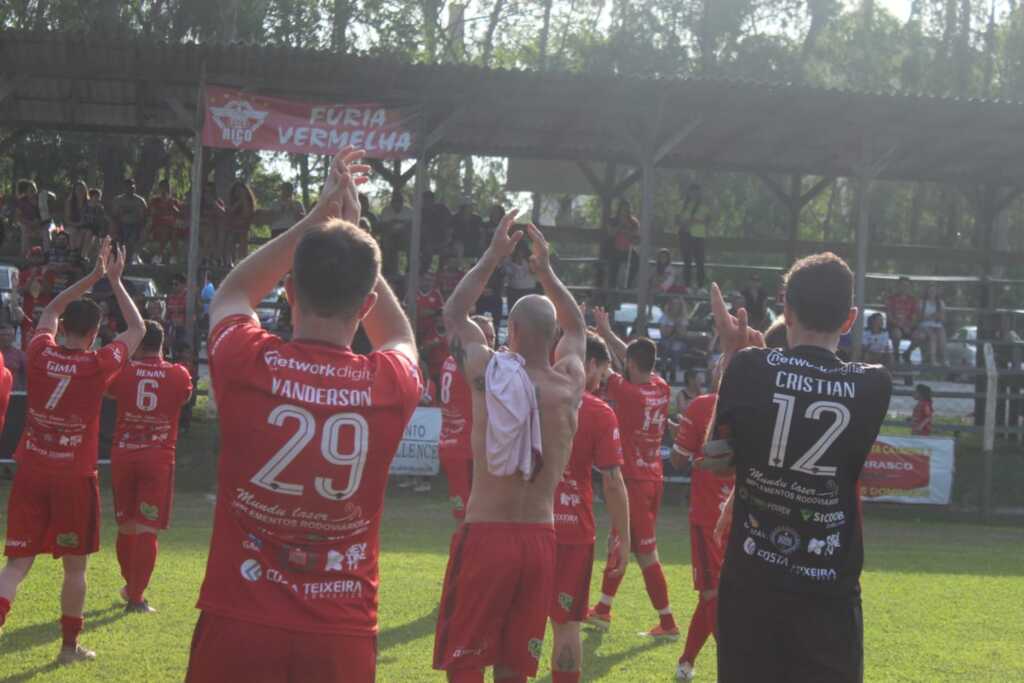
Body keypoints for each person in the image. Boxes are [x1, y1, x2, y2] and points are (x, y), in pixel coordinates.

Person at [185, 148, 420, 683]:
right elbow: (402, 336)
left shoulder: (247, 360)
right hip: (340, 631)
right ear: (364, 306)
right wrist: (357, 241)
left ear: (289, 291)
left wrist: (316, 221)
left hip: (238, 618)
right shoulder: (390, 384)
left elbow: (235, 291)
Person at [705, 252, 892, 683]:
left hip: (752, 584)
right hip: (828, 590)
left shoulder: (751, 367)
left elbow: (715, 459)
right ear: (849, 320)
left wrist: (732, 358)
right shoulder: (873, 384)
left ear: (785, 310)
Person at [433, 210, 586, 683]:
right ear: (553, 338)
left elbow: (454, 315)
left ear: (512, 334)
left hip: (488, 534)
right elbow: (578, 329)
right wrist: (545, 271)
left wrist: (495, 256)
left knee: (467, 661)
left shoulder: (490, 374)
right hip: (541, 540)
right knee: (514, 669)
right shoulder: (568, 387)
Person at [0, 238, 144, 664]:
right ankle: (68, 648)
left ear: (62, 328)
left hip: (30, 471)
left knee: (16, 566)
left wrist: (91, 277)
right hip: (74, 478)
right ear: (96, 334)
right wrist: (115, 282)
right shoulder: (98, 363)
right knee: (75, 569)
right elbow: (137, 330)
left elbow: (49, 310)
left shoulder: (40, 352)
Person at [587, 308, 678, 639]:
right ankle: (604, 609)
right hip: (653, 476)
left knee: (644, 551)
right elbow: (630, 358)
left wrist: (598, 334)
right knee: (620, 541)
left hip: (635, 482)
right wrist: (609, 330)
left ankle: (668, 623)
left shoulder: (628, 393)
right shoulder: (661, 386)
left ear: (633, 366)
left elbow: (603, 365)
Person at [548, 332, 631, 683]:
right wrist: (624, 537)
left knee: (516, 623)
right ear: (590, 363)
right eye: (601, 373)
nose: (600, 382)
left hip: (525, 522)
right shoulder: (598, 412)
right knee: (567, 627)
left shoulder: (526, 394)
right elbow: (612, 481)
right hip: (572, 531)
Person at [108, 320, 193, 613]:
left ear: (137, 342)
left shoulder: (123, 372)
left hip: (124, 453)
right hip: (157, 457)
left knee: (127, 524)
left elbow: (110, 391)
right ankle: (136, 596)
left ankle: (130, 584)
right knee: (147, 527)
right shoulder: (178, 374)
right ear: (162, 343)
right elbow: (185, 397)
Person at [671, 371, 734, 682]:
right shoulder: (763, 408)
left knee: (714, 595)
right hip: (737, 516)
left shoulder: (700, 406)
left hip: (715, 515)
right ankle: (692, 662)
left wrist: (687, 439)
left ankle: (696, 661)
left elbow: (678, 460)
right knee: (714, 595)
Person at [438, 315, 495, 526]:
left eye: (492, 337)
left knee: (464, 516)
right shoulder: (475, 366)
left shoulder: (450, 361)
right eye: (485, 337)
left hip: (451, 446)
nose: (490, 343)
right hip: (466, 451)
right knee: (474, 518)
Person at [678, 183, 711, 290]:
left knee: (700, 262)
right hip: (686, 236)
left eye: (697, 191)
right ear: (689, 193)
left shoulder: (704, 205)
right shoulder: (684, 205)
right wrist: (686, 223)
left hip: (699, 236)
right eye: (692, 191)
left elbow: (707, 220)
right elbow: (679, 220)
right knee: (687, 262)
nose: (694, 194)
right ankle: (687, 286)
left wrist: (694, 221)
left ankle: (701, 286)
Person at [111, 178, 148, 264]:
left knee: (141, 232)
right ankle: (118, 255)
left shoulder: (140, 201)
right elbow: (114, 215)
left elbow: (143, 217)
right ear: (124, 188)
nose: (129, 189)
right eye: (127, 187)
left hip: (135, 225)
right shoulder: (118, 200)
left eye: (131, 188)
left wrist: (139, 224)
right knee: (114, 227)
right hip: (121, 225)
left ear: (134, 188)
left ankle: (135, 255)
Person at [885, 277, 919, 364]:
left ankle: (907, 353)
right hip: (895, 326)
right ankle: (896, 354)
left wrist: (909, 326)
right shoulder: (891, 299)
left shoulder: (913, 300)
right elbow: (889, 317)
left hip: (908, 327)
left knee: (920, 335)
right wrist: (901, 326)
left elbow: (914, 317)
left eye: (906, 286)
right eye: (902, 285)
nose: (904, 287)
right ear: (898, 286)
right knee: (897, 334)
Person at [608, 201, 640, 290]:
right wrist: (620, 225)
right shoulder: (613, 220)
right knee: (613, 268)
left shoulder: (633, 222)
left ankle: (628, 285)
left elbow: (636, 238)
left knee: (636, 262)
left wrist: (630, 233)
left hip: (628, 250)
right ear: (620, 209)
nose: (625, 211)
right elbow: (611, 234)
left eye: (627, 209)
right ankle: (612, 288)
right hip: (615, 249)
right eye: (623, 209)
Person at [149, 180, 182, 264]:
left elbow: (179, 214)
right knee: (165, 230)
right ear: (159, 189)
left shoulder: (174, 202)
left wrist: (171, 205)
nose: (164, 191)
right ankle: (158, 256)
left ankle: (174, 258)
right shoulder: (154, 201)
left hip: (171, 227)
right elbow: (153, 214)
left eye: (167, 188)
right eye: (162, 188)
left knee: (173, 231)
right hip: (158, 226)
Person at [659, 297, 690, 382]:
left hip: (679, 341)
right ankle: (663, 369)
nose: (675, 307)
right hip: (666, 339)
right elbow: (664, 333)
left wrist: (674, 327)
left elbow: (682, 334)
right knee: (666, 345)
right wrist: (674, 324)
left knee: (676, 347)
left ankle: (673, 369)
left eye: (677, 304)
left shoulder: (683, 317)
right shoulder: (665, 316)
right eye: (673, 304)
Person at [225, 181, 256, 266]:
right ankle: (230, 260)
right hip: (232, 229)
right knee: (231, 237)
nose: (239, 193)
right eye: (237, 191)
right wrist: (238, 204)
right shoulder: (232, 201)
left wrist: (243, 200)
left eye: (241, 191)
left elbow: (247, 215)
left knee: (243, 234)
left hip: (243, 229)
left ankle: (242, 260)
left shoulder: (248, 202)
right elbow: (229, 213)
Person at [504, 239, 538, 311]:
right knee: (513, 311)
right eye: (518, 250)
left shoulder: (531, 259)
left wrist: (530, 263)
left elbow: (534, 272)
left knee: (528, 312)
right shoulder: (508, 259)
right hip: (513, 290)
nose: (520, 253)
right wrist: (515, 262)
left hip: (528, 290)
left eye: (522, 250)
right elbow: (507, 272)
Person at [918, 285, 947, 366]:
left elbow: (943, 318)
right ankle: (932, 359)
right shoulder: (922, 303)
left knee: (942, 335)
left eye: (934, 291)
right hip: (925, 324)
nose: (932, 293)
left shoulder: (940, 303)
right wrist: (931, 316)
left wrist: (938, 316)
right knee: (932, 336)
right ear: (927, 292)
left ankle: (943, 359)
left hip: (937, 324)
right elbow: (920, 317)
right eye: (930, 291)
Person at [14, 179, 43, 254]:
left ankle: (46, 254)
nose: (33, 191)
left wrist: (38, 222)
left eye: (34, 189)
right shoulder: (22, 201)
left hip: (40, 223)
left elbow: (45, 214)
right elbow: (18, 217)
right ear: (26, 191)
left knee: (46, 231)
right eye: (30, 190)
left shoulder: (41, 199)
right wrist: (29, 223)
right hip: (26, 223)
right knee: (25, 230)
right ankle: (24, 253)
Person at [81, 188, 109, 261]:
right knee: (89, 234)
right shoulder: (85, 207)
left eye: (98, 197)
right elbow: (83, 218)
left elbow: (101, 220)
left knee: (98, 242)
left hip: (96, 228)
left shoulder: (99, 208)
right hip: (86, 227)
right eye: (96, 197)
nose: (98, 199)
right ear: (91, 197)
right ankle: (83, 255)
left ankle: (98, 259)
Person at [0, 323, 27, 391]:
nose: (6, 338)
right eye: (3, 335)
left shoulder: (20, 355)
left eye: (9, 335)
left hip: (14, 393)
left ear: (14, 337)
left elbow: (27, 376)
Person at [64, 180, 89, 254]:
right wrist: (76, 225)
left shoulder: (89, 203)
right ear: (74, 191)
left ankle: (83, 256)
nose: (80, 192)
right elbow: (67, 219)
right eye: (78, 189)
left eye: (82, 189)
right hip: (72, 225)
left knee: (86, 233)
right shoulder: (70, 202)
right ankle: (73, 253)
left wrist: (83, 224)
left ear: (85, 190)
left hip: (85, 226)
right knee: (72, 232)